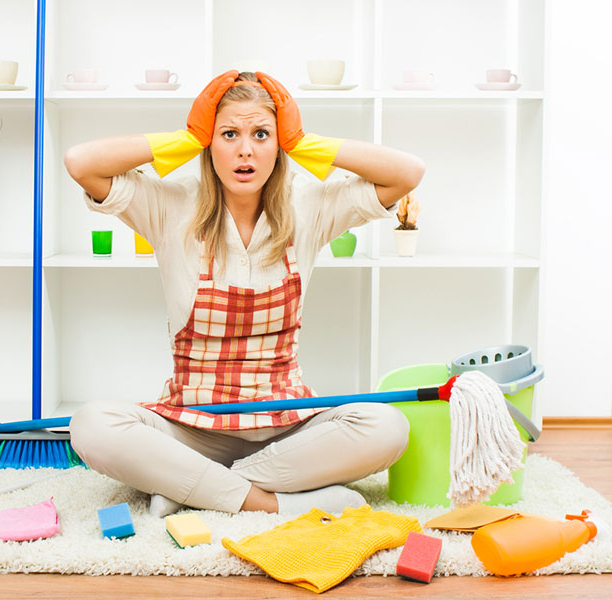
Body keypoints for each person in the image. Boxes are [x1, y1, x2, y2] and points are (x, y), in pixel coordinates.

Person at [64, 70, 425, 516]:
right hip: (191, 425)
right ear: (208, 143)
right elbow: (81, 162)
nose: (245, 150)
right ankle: (271, 503)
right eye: (228, 134)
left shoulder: (308, 206)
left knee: (386, 427)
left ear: (281, 144)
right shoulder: (169, 204)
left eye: (262, 134)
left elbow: (408, 173)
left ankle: (189, 485)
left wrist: (303, 140)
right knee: (91, 425)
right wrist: (185, 136)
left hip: (284, 426)